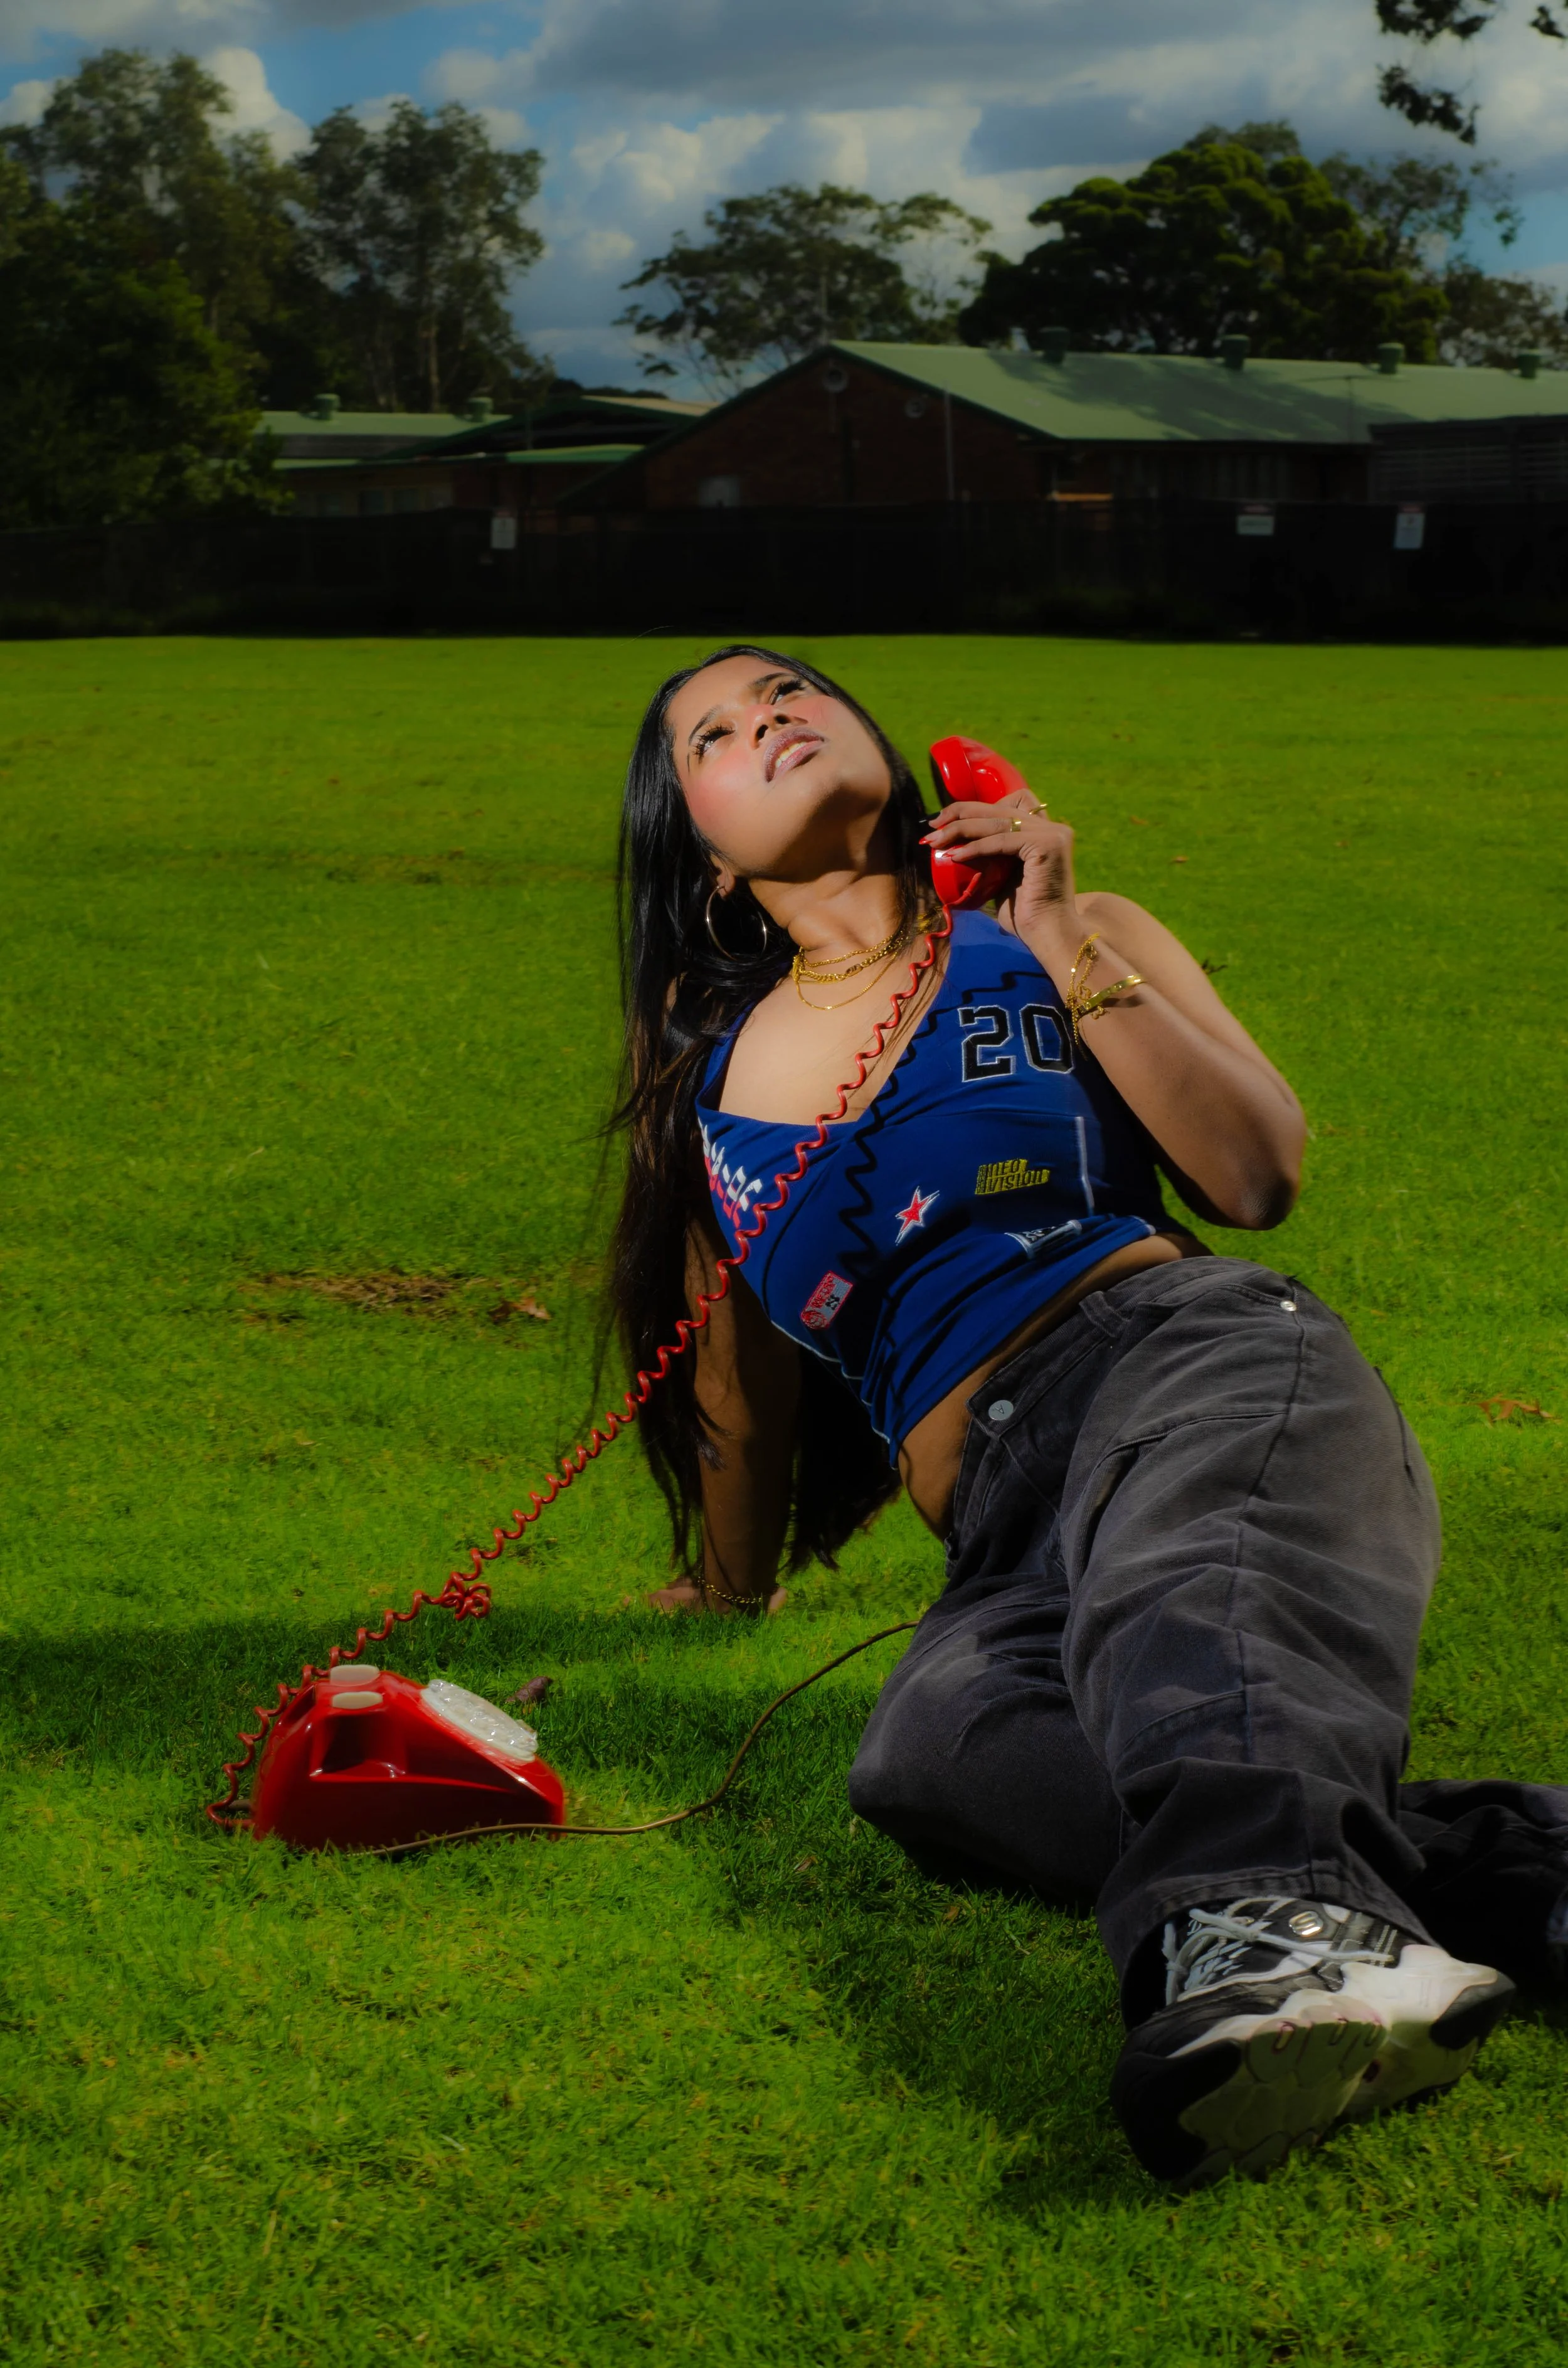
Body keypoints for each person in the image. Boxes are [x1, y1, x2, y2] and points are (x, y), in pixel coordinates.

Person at [608, 643, 1568, 2187]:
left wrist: (1057, 935)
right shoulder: (711, 1089)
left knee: (1190, 1611)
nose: (768, 718)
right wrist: (725, 1582)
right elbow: (733, 1381)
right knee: (930, 1754)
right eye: (715, 733)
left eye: (792, 692)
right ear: (707, 863)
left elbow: (1255, 1178)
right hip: (999, 1520)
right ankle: (1513, 1872)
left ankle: (1280, 1938)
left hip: (1184, 1361)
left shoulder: (1069, 935)